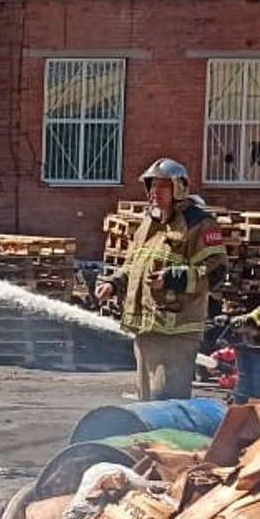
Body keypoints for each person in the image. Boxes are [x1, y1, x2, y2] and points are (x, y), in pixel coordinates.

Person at [96, 158, 228, 400]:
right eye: (152, 185)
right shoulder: (149, 223)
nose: (154, 192)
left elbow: (216, 271)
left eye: (162, 186)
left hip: (177, 331)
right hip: (147, 328)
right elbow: (134, 264)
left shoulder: (199, 224)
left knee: (167, 399)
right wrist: (113, 283)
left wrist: (173, 278)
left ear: (179, 188)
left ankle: (171, 439)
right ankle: (148, 438)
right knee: (147, 400)